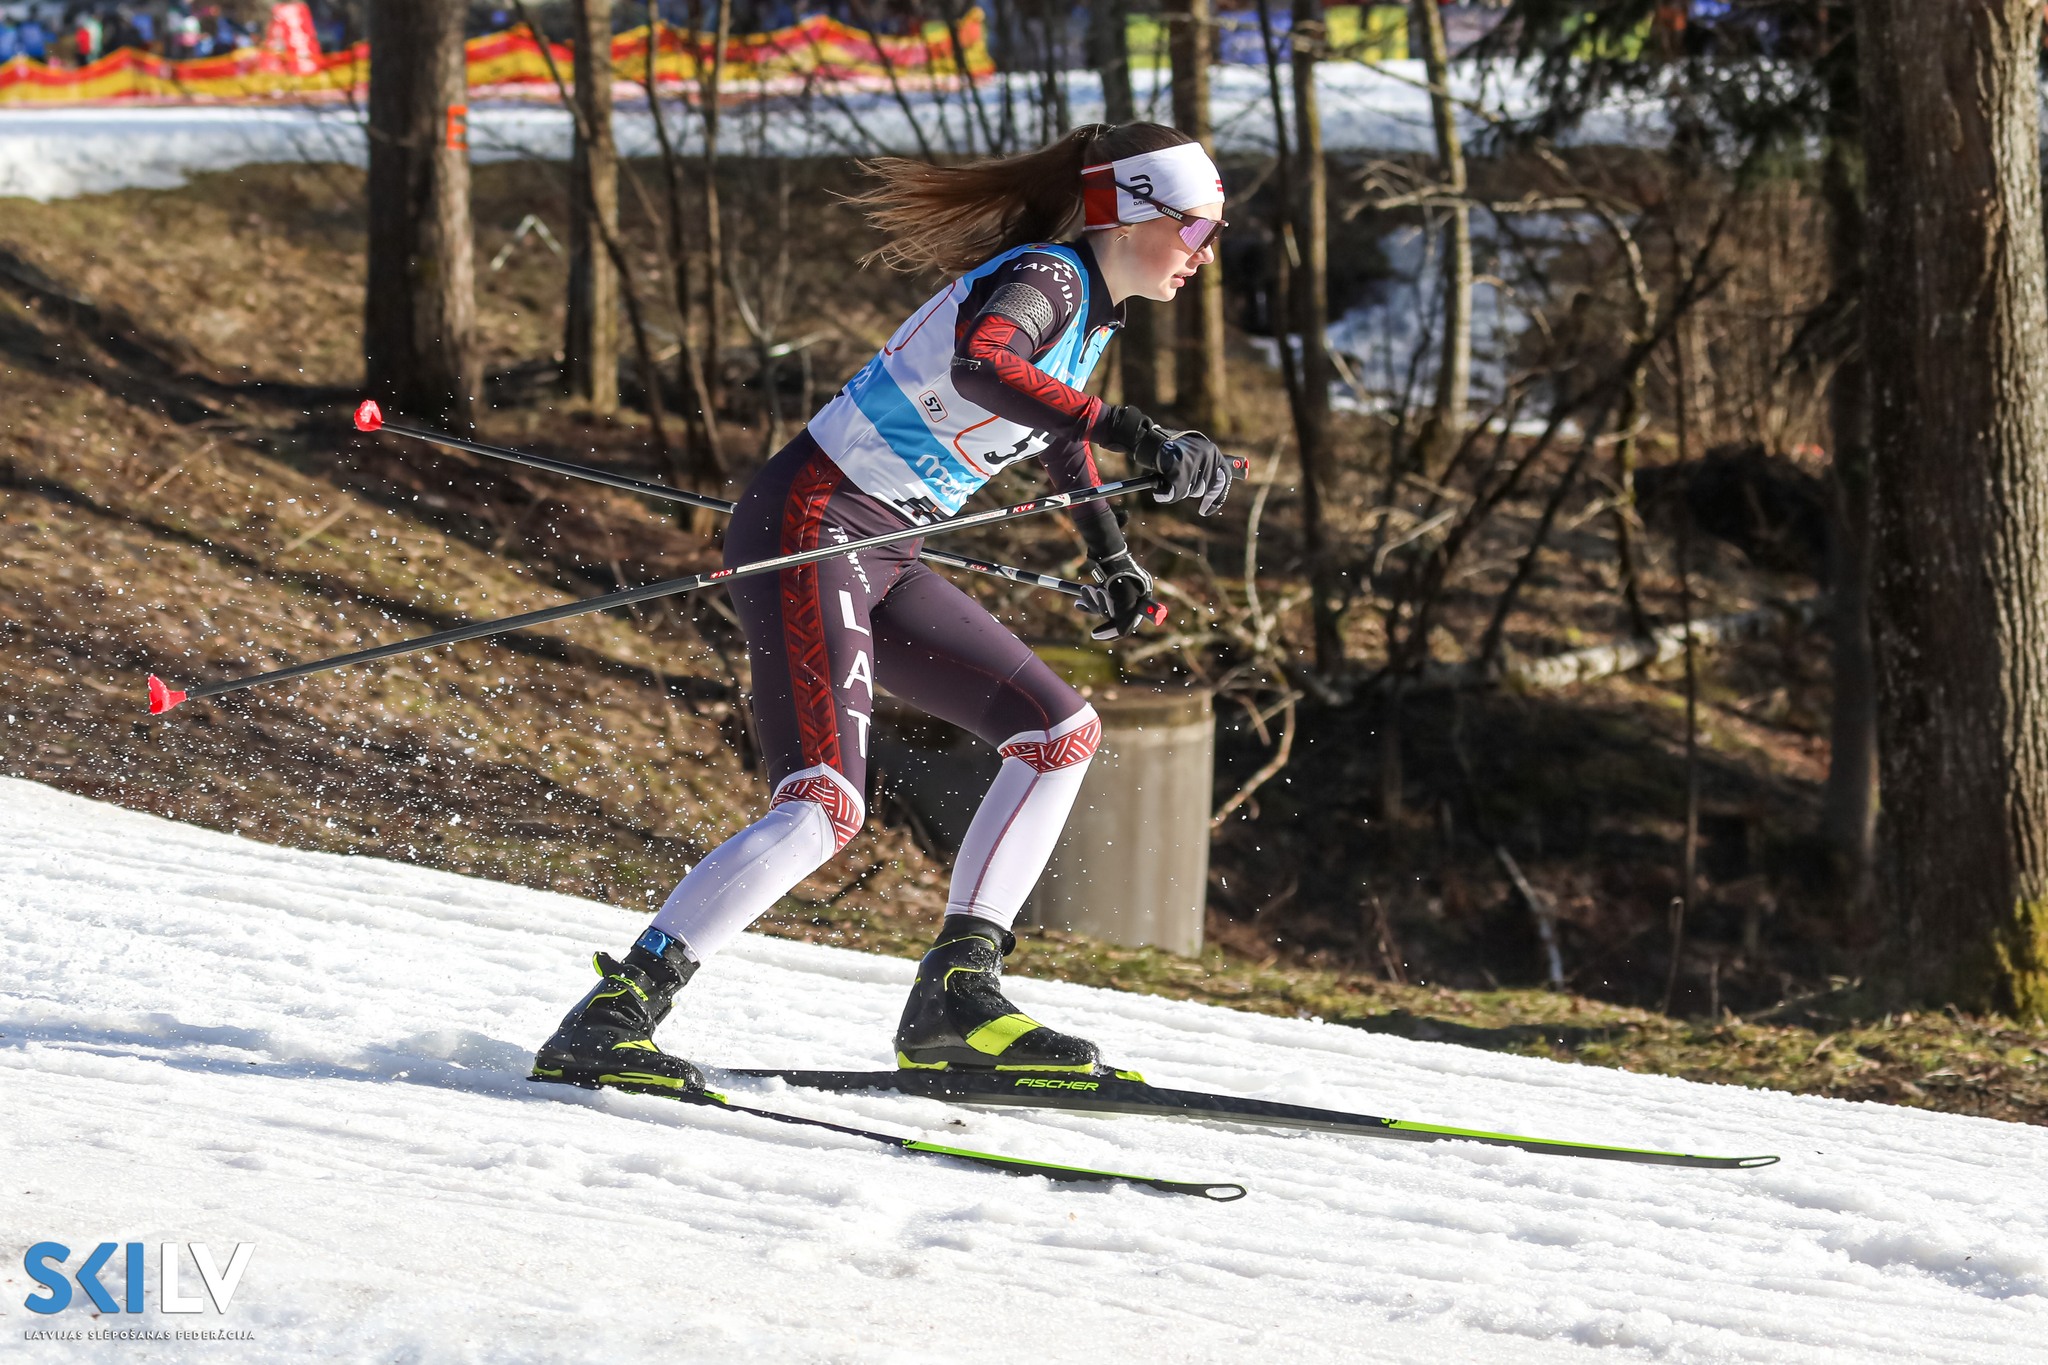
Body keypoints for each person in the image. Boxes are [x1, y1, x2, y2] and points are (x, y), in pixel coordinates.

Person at [532, 121, 1235, 1091]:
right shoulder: (1049, 281)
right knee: (824, 804)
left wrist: (1111, 559)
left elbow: (1053, 432)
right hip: (815, 519)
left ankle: (956, 996)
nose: (1204, 254)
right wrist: (1138, 432)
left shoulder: (1089, 311)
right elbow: (985, 367)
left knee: (1056, 732)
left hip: (879, 545)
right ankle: (611, 1019)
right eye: (1197, 229)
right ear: (1132, 210)